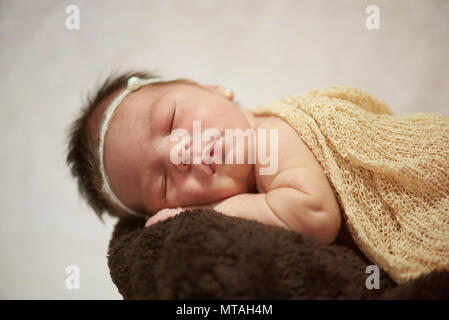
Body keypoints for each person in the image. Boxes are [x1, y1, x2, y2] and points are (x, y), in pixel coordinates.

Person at [67, 71, 449, 284]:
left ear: (213, 88)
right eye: (164, 183)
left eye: (170, 121)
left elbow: (312, 213)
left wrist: (214, 209)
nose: (179, 154)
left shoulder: (270, 135)